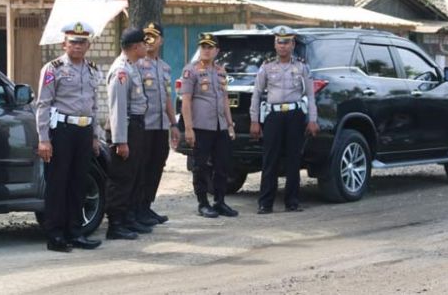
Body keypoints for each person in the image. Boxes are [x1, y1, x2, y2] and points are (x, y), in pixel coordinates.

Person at [35, 21, 103, 252]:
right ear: (64, 44)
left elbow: (94, 106)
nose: (78, 46)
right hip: (61, 131)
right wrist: (44, 139)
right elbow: (43, 105)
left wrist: (95, 136)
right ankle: (55, 235)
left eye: (82, 42)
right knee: (58, 183)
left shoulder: (92, 69)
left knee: (79, 182)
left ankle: (76, 232)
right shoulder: (53, 69)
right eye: (73, 41)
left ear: (88, 45)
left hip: (84, 131)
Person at [249, 26, 319, 214]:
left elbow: (311, 96)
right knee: (270, 159)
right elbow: (256, 94)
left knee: (293, 160)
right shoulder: (267, 66)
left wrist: (312, 119)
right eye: (279, 42)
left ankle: (292, 202)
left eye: (286, 42)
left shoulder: (301, 67)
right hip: (273, 116)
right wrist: (254, 120)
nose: (283, 46)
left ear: (293, 44)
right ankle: (265, 203)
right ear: (275, 44)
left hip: (295, 116)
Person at [180, 33, 239, 218]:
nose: (205, 50)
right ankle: (203, 203)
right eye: (203, 47)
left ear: (217, 51)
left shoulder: (221, 71)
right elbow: (186, 101)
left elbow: (224, 100)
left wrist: (230, 125)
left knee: (222, 165)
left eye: (209, 47)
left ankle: (220, 201)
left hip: (220, 127)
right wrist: (188, 129)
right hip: (201, 127)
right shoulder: (191, 71)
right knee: (201, 166)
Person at [105, 27, 151, 240]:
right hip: (126, 128)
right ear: (135, 47)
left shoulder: (132, 67)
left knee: (132, 176)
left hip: (135, 126)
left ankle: (128, 219)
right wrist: (120, 141)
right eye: (143, 43)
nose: (146, 46)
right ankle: (115, 224)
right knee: (121, 178)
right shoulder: (121, 70)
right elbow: (118, 108)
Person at [134, 22, 180, 226]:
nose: (149, 41)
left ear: (161, 40)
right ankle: (136, 209)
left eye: (154, 36)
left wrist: (174, 124)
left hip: (161, 126)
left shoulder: (165, 67)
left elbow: (168, 98)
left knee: (156, 167)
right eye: (146, 37)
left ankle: (146, 206)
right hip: (144, 126)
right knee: (141, 168)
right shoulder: (136, 66)